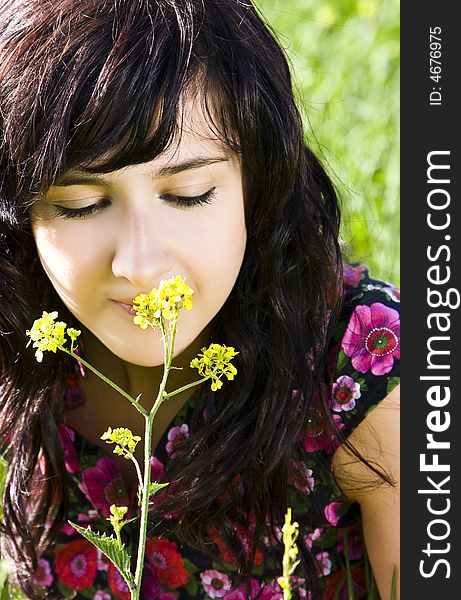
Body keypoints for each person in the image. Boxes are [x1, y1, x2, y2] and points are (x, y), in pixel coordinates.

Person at [0, 0, 400, 598]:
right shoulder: (20, 336)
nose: (138, 265)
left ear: (257, 180)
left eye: (187, 194)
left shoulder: (367, 368)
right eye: (80, 205)